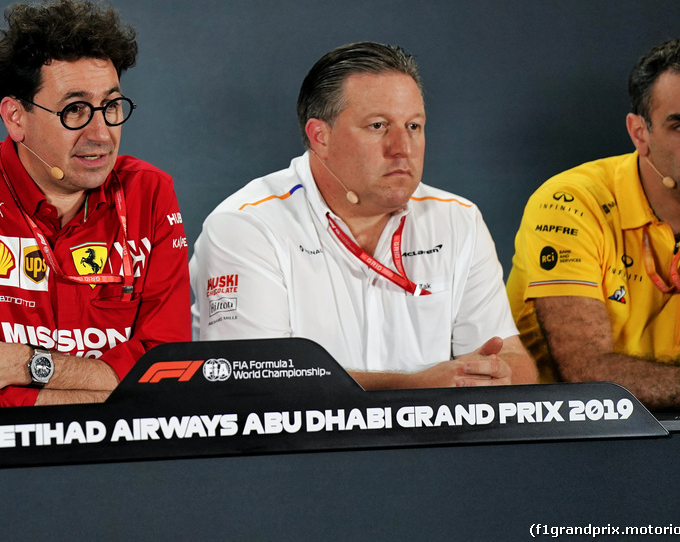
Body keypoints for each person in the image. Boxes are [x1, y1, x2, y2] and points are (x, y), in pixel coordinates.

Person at [0, 0, 189, 411]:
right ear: (15, 117)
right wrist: (118, 391)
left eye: (110, 106)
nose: (102, 134)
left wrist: (22, 364)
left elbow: (170, 379)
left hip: (122, 462)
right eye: (75, 110)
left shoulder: (150, 193)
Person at [191, 42, 536, 388]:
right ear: (319, 136)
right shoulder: (247, 225)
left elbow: (509, 356)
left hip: (433, 442)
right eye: (378, 126)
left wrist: (498, 374)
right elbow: (251, 381)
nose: (402, 148)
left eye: (414, 126)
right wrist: (414, 389)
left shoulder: (459, 220)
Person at [507, 37, 680, 409]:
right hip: (550, 439)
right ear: (639, 134)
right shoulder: (570, 201)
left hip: (677, 438)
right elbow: (587, 375)